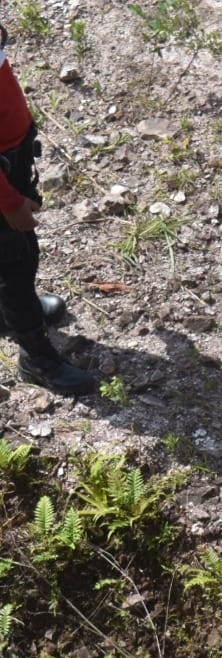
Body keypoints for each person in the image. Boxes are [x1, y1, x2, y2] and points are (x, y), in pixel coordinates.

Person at [0, 23, 92, 397]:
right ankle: (36, 358)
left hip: (11, 157)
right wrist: (10, 201)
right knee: (16, 262)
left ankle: (7, 312)